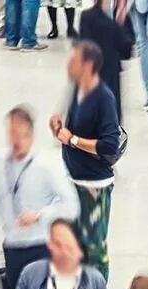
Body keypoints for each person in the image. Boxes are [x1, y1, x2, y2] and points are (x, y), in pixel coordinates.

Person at [0, 106, 77, 289]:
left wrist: (40, 214)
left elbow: (71, 205)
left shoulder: (47, 165)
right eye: (11, 133)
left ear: (30, 135)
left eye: (20, 134)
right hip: (12, 247)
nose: (15, 140)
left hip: (39, 247)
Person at [53, 39, 123, 276]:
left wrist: (72, 140)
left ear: (88, 65)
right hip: (73, 179)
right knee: (75, 245)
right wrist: (59, 128)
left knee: (94, 250)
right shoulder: (76, 90)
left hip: (94, 187)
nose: (68, 65)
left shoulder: (104, 98)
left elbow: (109, 145)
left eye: (74, 61)